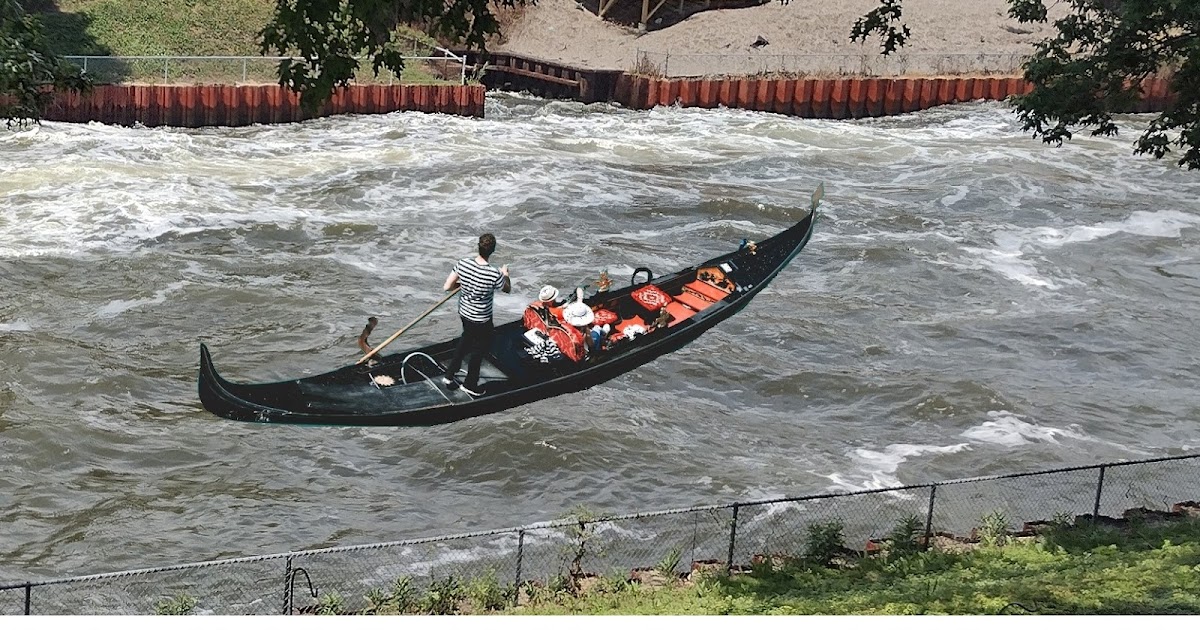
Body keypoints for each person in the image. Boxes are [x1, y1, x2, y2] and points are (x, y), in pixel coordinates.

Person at [441, 233, 511, 396]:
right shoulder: (495, 274)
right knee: (479, 350)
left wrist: (465, 283)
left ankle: (449, 375)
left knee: (465, 339)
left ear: (478, 247)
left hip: (464, 313)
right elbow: (507, 289)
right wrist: (506, 274)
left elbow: (447, 287)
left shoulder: (463, 264)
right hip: (482, 319)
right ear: (492, 251)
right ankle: (470, 384)